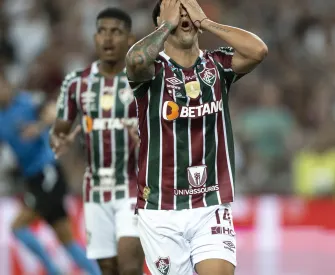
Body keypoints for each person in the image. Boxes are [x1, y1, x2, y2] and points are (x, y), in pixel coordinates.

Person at [125, 0, 268, 274]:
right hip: (160, 207)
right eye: (175, 13)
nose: (184, 16)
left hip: (210, 202)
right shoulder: (152, 72)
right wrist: (167, 25)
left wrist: (207, 22)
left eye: (188, 10)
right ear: (160, 23)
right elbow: (135, 60)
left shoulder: (217, 66)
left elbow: (258, 50)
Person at [50, 8, 144, 275]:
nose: (108, 38)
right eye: (102, 31)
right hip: (94, 190)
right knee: (107, 267)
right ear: (94, 37)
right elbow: (59, 131)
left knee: (129, 264)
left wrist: (146, 136)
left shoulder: (142, 81)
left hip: (133, 187)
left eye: (116, 32)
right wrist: (59, 141)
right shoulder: (75, 83)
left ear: (130, 39)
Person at [0, 75, 100, 275]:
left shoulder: (27, 101)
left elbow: (54, 112)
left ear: (6, 83)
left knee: (18, 227)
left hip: (48, 173)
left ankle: (54, 271)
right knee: (66, 238)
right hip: (32, 179)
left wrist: (36, 128)